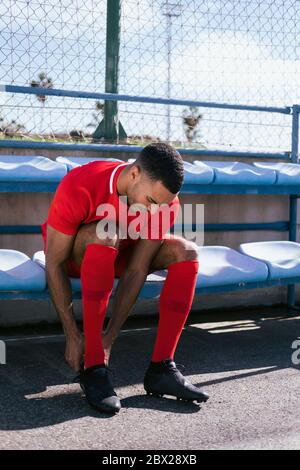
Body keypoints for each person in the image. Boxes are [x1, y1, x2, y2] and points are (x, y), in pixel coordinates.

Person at [41, 142, 209, 414]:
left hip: (119, 255)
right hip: (76, 256)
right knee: (108, 231)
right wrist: (72, 334)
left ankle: (162, 368)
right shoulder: (82, 183)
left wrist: (111, 336)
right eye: (152, 202)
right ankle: (94, 367)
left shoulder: (165, 202)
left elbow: (137, 269)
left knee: (186, 250)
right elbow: (55, 262)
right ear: (134, 175)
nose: (155, 211)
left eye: (162, 205)